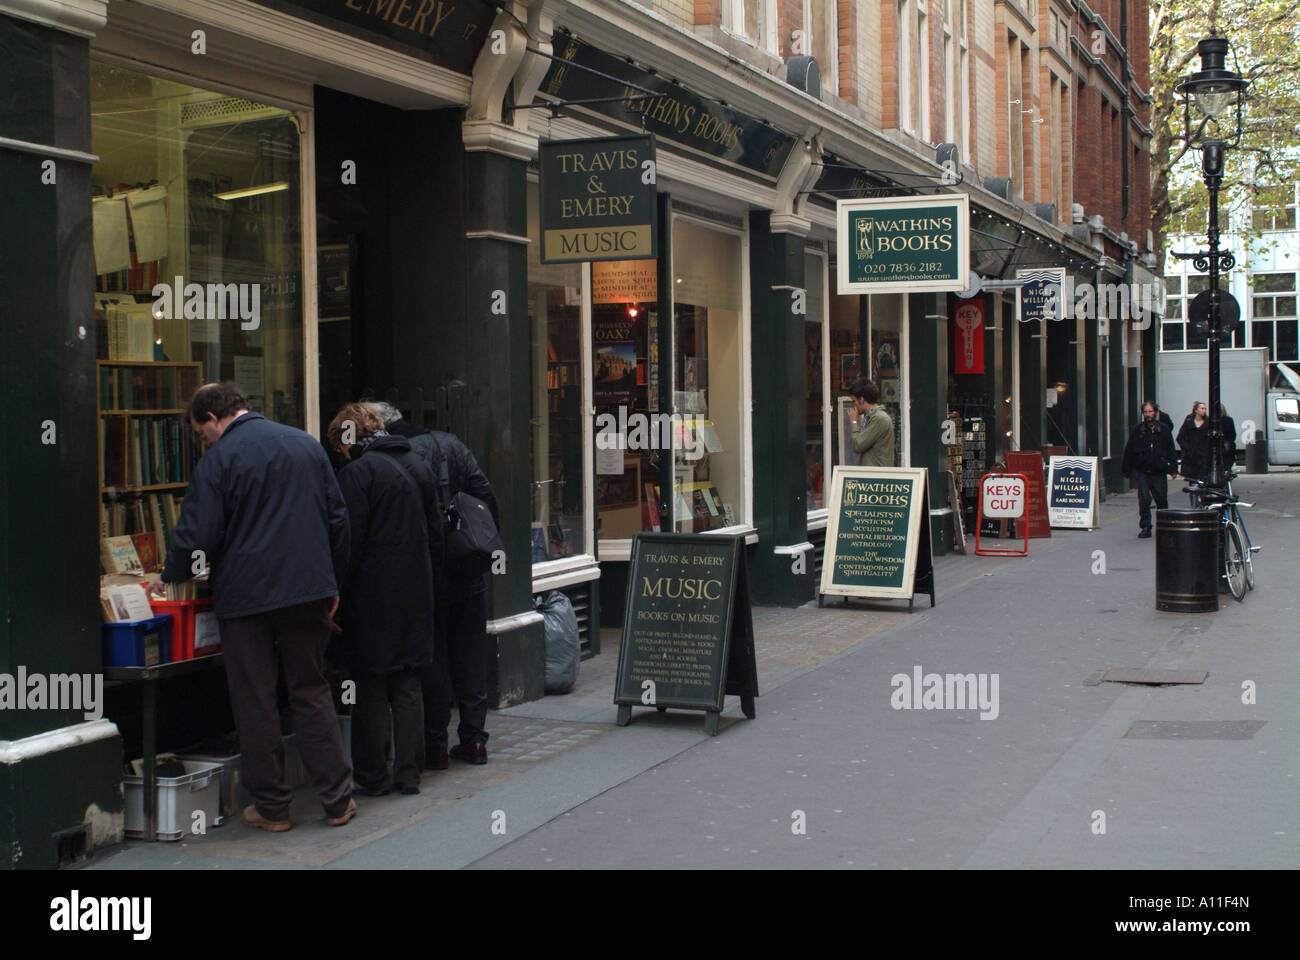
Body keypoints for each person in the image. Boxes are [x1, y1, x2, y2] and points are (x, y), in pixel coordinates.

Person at [156, 382, 356, 831]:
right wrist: (333, 581)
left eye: (201, 432)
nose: (204, 440)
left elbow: (197, 537)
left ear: (213, 418)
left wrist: (169, 576)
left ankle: (272, 808)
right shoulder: (304, 445)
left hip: (245, 600)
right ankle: (337, 801)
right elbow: (338, 518)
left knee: (256, 699)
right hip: (307, 591)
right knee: (311, 689)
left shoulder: (219, 461)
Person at [364, 402, 500, 768]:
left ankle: (435, 745)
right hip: (466, 569)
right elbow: (485, 498)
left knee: (434, 660)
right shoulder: (451, 445)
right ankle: (474, 742)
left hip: (425, 575)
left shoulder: (392, 459)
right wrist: (478, 545)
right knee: (471, 657)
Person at [328, 403, 443, 797]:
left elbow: (348, 544)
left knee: (371, 685)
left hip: (371, 597)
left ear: (348, 439)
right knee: (408, 682)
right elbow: (436, 532)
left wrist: (337, 597)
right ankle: (410, 774)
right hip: (416, 591)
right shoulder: (418, 464)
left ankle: (373, 775)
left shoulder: (356, 474)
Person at [1121, 400, 1178, 538]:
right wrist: (1126, 469)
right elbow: (1129, 449)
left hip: (1159, 471)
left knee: (1161, 500)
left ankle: (1164, 526)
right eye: (1145, 412)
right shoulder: (1138, 430)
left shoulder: (1163, 429)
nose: (1148, 414)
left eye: (1150, 411)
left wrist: (1173, 468)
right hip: (1143, 471)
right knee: (1144, 500)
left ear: (1155, 412)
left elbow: (1171, 449)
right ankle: (1146, 527)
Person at [846, 377, 894, 467]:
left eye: (854, 401)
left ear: (862, 399)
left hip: (877, 476)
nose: (853, 405)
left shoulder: (879, 419)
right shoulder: (870, 417)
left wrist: (854, 422)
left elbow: (858, 445)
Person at [1177, 401, 1210, 482]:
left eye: (1205, 409)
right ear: (1196, 410)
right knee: (1192, 481)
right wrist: (1187, 448)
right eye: (1202, 408)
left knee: (1203, 480)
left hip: (1204, 457)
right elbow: (1180, 437)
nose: (1204, 410)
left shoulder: (1208, 423)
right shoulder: (1189, 423)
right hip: (1191, 457)